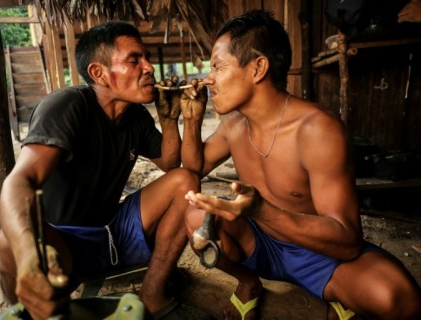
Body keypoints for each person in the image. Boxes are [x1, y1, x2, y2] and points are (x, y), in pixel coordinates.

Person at [179, 9, 421, 320]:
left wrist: (262, 210)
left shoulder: (317, 130)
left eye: (218, 66)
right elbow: (193, 167)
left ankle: (335, 293)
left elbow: (347, 243)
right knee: (196, 215)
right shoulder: (233, 125)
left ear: (258, 68)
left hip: (319, 253)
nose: (208, 78)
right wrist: (191, 118)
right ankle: (249, 283)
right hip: (261, 244)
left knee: (399, 297)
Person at [0, 21, 208, 320]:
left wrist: (171, 119)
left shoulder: (134, 116)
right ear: (99, 73)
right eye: (134, 60)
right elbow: (21, 180)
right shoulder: (67, 106)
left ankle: (153, 294)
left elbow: (170, 164)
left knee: (185, 180)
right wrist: (28, 250)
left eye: (146, 58)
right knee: (8, 243)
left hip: (113, 229)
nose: (149, 67)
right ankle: (33, 312)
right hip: (65, 240)